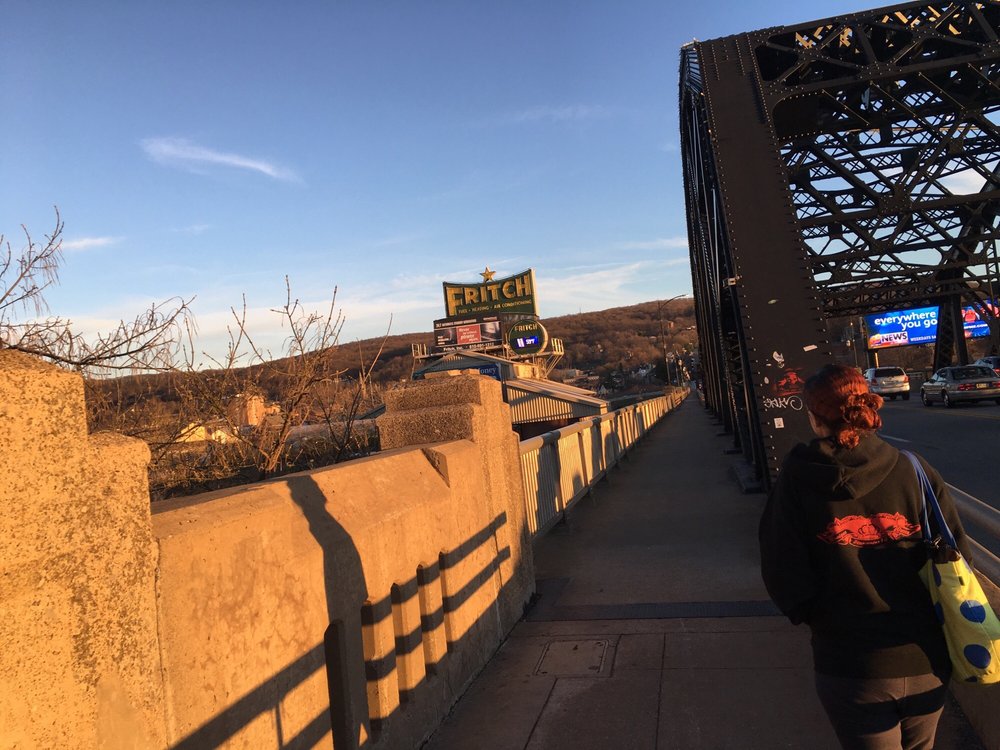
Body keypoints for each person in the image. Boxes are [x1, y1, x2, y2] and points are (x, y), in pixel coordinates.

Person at [759, 364, 971, 750]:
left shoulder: (796, 478)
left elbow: (781, 569)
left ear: (814, 417)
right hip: (927, 656)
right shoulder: (913, 470)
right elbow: (957, 552)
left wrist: (819, 619)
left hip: (849, 662)